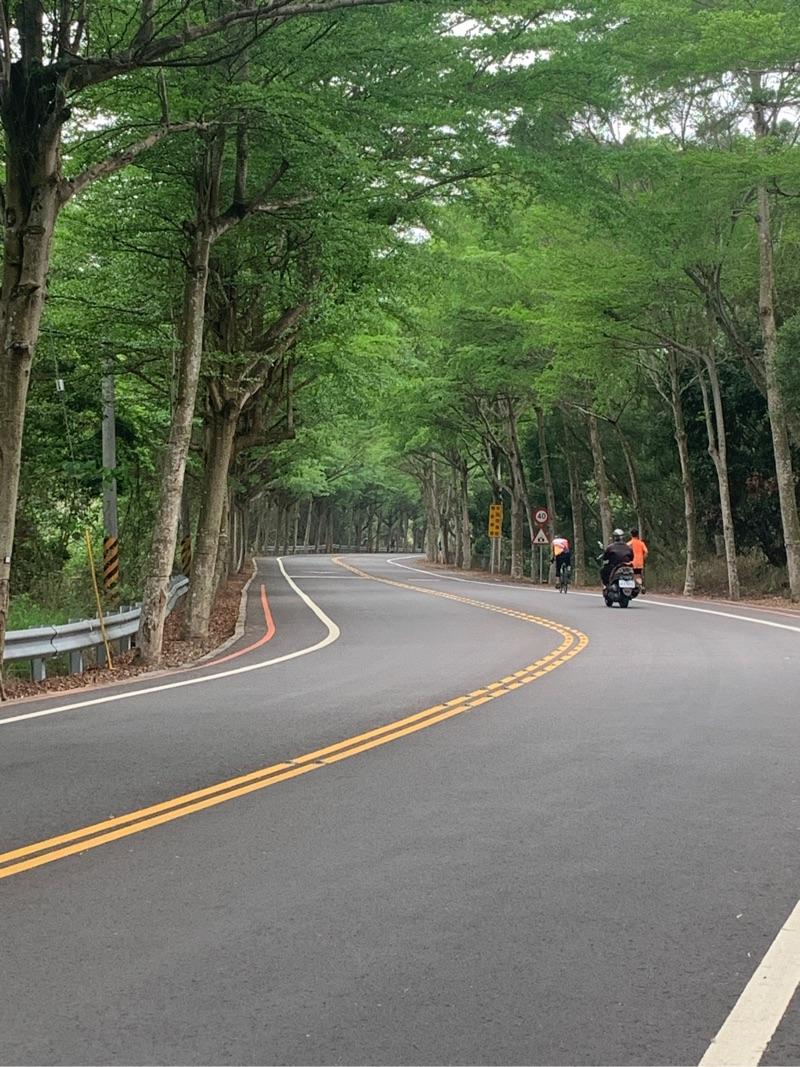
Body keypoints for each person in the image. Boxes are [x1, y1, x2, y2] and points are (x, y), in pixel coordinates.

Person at [628, 527, 648, 593]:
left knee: (631, 574)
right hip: (639, 562)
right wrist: (643, 558)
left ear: (631, 535)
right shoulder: (641, 543)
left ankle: (633, 587)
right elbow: (646, 552)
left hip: (631, 562)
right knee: (638, 575)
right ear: (637, 535)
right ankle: (640, 585)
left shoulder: (629, 544)